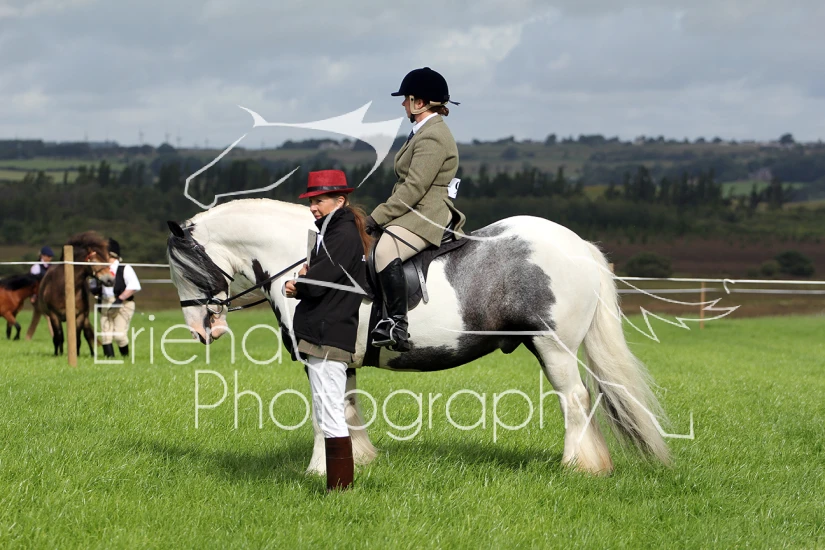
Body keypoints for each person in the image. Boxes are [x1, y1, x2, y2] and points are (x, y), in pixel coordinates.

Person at [365, 67, 466, 352]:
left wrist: (376, 217)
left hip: (427, 212)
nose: (403, 104)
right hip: (415, 208)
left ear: (419, 102)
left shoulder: (433, 136)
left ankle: (397, 325)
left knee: (385, 250)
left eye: (406, 99)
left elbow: (414, 188)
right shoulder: (422, 132)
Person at [284, 169, 369, 491]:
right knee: (327, 410)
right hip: (325, 331)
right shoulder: (336, 232)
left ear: (340, 200)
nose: (313, 207)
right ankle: (339, 487)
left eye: (319, 201)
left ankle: (340, 489)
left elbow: (319, 285)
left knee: (330, 412)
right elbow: (327, 275)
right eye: (311, 201)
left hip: (327, 333)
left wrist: (297, 285)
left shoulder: (341, 235)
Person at [100, 238, 141, 359]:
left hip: (123, 304)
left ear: (110, 254)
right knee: (106, 334)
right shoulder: (101, 269)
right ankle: (109, 360)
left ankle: (125, 358)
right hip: (105, 303)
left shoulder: (125, 268)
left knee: (119, 335)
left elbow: (134, 286)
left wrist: (120, 299)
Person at [25, 246, 55, 340]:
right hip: (38, 298)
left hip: (46, 297)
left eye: (50, 257)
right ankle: (55, 338)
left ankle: (27, 338)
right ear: (42, 256)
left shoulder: (50, 267)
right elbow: (33, 284)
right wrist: (33, 295)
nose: (49, 258)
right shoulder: (36, 267)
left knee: (35, 319)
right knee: (49, 317)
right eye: (48, 256)